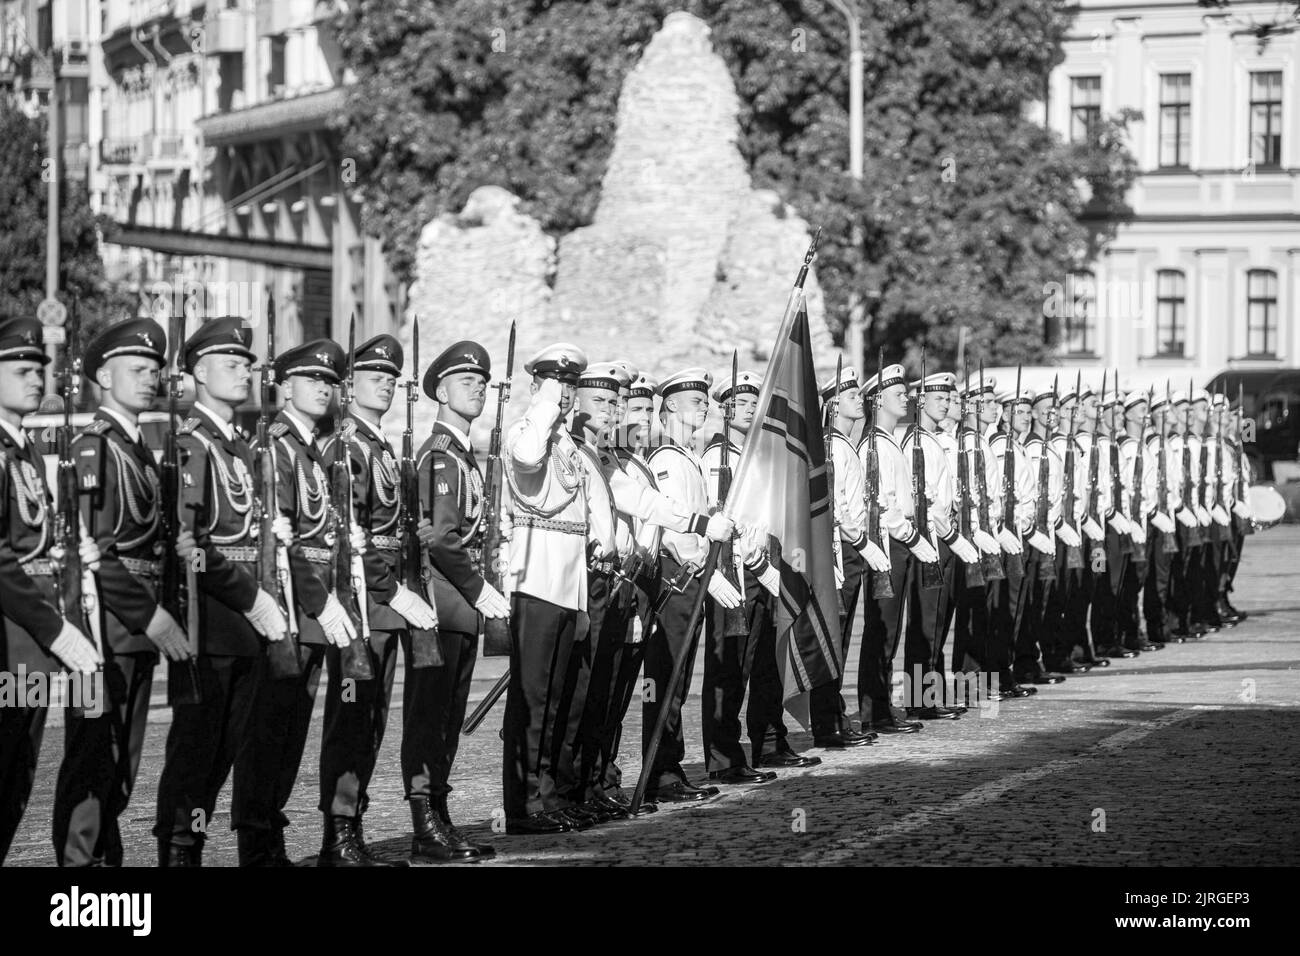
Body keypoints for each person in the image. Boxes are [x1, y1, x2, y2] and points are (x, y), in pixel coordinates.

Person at [53, 318, 189, 867]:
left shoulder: (138, 448)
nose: (150, 378)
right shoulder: (95, 450)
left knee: (121, 767)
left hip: (133, 635)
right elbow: (95, 554)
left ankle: (106, 869)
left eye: (155, 370)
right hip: (103, 631)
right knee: (91, 762)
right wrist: (149, 616)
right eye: (137, 370)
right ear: (103, 377)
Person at [569, 362, 734, 812]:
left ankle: (613, 777)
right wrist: (704, 565)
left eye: (636, 407)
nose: (633, 416)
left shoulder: (645, 460)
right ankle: (634, 774)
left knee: (638, 687)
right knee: (642, 684)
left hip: (643, 582)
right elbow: (658, 516)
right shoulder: (646, 459)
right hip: (655, 582)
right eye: (629, 408)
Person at [154, 317, 288, 867]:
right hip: (209, 620)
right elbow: (192, 546)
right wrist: (251, 597)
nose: (245, 372)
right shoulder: (191, 444)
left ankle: (202, 844)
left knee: (227, 750)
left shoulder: (237, 446)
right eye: (231, 364)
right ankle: (180, 852)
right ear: (199, 374)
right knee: (195, 751)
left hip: (243, 627)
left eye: (247, 364)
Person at [314, 334, 439, 866]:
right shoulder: (345, 449)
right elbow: (347, 537)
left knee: (371, 722)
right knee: (351, 720)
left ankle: (353, 831)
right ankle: (338, 835)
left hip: (388, 602)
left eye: (391, 378)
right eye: (374, 377)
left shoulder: (380, 447)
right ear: (348, 387)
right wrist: (390, 590)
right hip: (362, 601)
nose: (386, 384)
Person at [237, 338, 361, 865]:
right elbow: (281, 540)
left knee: (289, 734)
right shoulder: (277, 447)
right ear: (284, 387)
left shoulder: (314, 448)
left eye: (330, 382)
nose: (323, 388)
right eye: (312, 380)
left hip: (310, 612)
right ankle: (257, 845)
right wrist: (320, 601)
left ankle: (271, 839)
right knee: (267, 734)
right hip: (287, 609)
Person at [0, 316, 102, 864]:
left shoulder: (24, 453)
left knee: (17, 777)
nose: (36, 379)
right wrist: (56, 630)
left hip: (30, 653)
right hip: (13, 646)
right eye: (21, 370)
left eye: (41, 370)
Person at [500, 343, 600, 834]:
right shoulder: (526, 431)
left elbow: (579, 527)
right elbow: (525, 459)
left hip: (567, 585)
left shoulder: (567, 446)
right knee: (533, 701)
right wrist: (542, 404)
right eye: (557, 387)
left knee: (557, 699)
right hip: (535, 581)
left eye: (569, 388)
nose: (564, 398)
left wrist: (581, 600)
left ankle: (548, 793)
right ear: (538, 386)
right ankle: (523, 804)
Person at [411, 339, 505, 859]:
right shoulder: (440, 455)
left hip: (461, 608)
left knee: (449, 717)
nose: (479, 388)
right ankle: (425, 821)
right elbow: (442, 538)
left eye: (483, 382)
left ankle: (439, 815)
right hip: (442, 603)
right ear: (440, 392)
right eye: (467, 381)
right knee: (430, 718)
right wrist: (478, 589)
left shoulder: (464, 456)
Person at [641, 368, 741, 800]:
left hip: (692, 582)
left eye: (704, 399)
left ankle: (668, 767)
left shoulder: (687, 456)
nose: (703, 405)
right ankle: (661, 771)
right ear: (669, 408)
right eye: (693, 400)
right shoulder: (666, 459)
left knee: (677, 680)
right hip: (679, 582)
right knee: (666, 680)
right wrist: (707, 572)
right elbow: (677, 533)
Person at [856, 363, 933, 733]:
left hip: (898, 544)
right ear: (877, 400)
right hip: (888, 545)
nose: (906, 397)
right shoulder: (876, 445)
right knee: (881, 630)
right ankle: (875, 711)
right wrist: (911, 535)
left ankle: (881, 708)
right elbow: (881, 504)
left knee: (890, 629)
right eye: (897, 393)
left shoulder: (888, 442)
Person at [809, 364, 883, 747]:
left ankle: (832, 716)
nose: (862, 401)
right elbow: (834, 506)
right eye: (853, 396)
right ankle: (826, 722)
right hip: (842, 552)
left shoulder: (845, 444)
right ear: (834, 405)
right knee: (832, 639)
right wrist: (861, 541)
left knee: (841, 638)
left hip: (852, 552)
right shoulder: (831, 445)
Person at [900, 372, 974, 719]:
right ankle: (921, 701)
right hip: (930, 540)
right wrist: (952, 536)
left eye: (948, 399)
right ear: (920, 401)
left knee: (938, 619)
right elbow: (924, 500)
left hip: (941, 539)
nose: (945, 403)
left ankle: (929, 697)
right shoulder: (916, 441)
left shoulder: (932, 440)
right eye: (938, 398)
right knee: (925, 623)